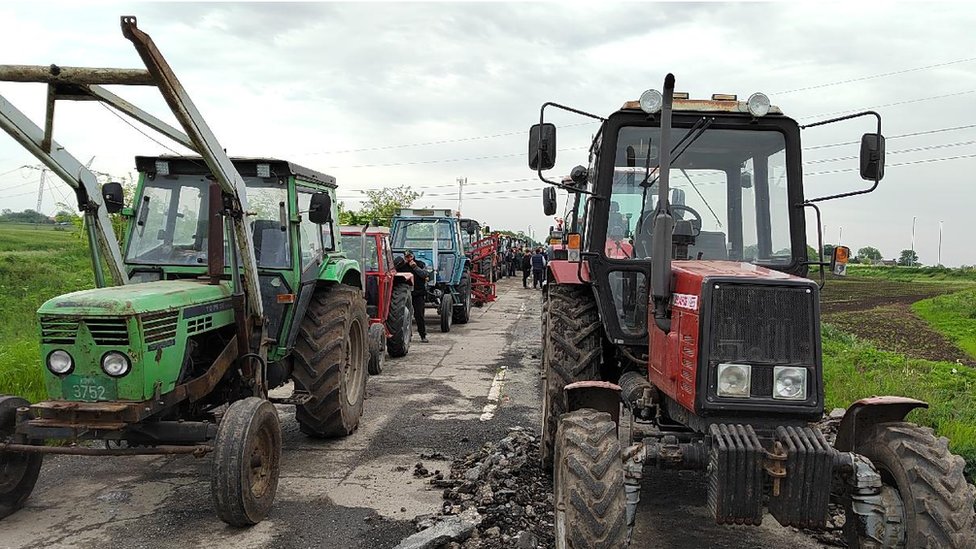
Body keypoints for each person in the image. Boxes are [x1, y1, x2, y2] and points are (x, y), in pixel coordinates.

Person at [395, 250, 429, 342]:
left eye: (410, 256)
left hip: (418, 293)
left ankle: (423, 335)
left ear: (413, 256)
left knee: (419, 315)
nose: (409, 259)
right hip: (406, 294)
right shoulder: (402, 266)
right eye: (406, 257)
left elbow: (425, 274)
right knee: (405, 315)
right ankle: (407, 334)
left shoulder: (420, 264)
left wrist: (415, 267)